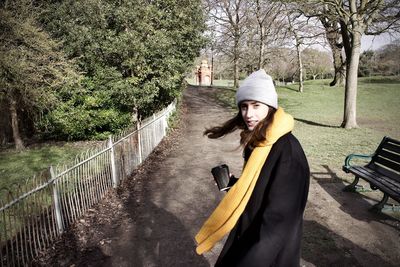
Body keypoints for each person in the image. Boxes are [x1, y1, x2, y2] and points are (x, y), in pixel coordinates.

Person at [195, 69, 310, 267]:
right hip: (249, 234)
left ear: (270, 107)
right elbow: (259, 189)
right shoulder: (259, 142)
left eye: (256, 106)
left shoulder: (287, 152)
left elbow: (278, 222)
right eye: (244, 107)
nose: (249, 114)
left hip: (267, 251)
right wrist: (233, 185)